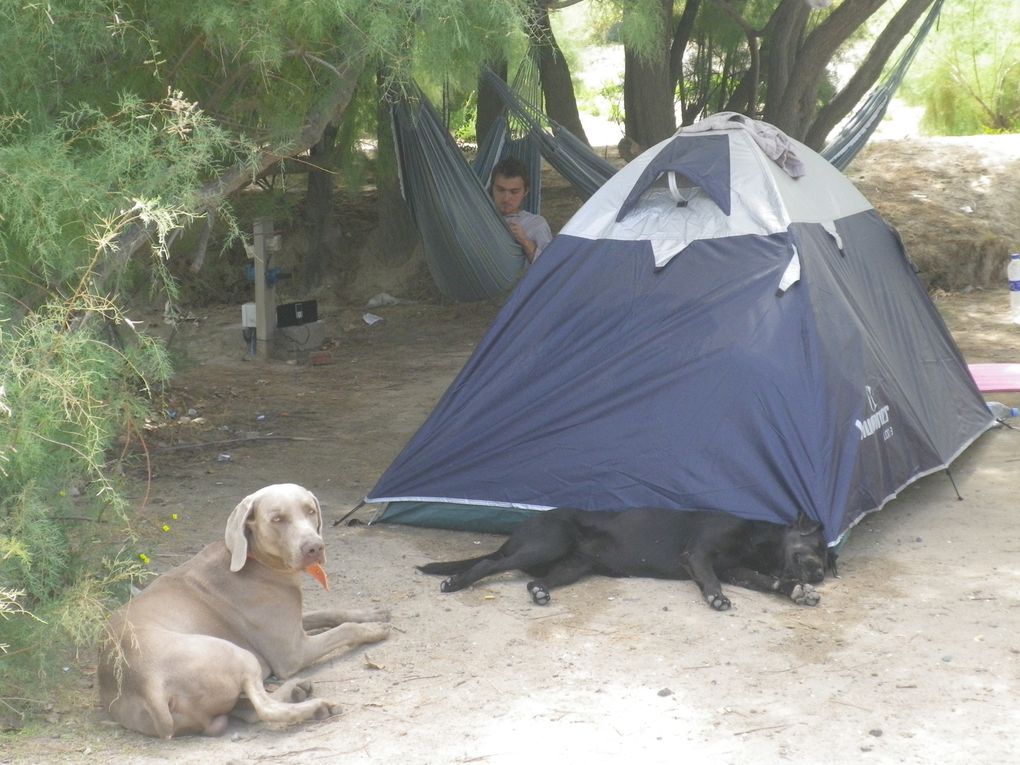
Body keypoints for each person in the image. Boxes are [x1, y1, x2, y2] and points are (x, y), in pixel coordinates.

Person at [490, 157, 552, 264]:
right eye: (500, 190)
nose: (506, 198)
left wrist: (525, 242)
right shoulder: (479, 217)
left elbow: (550, 269)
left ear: (525, 191)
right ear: (492, 188)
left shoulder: (536, 224)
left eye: (514, 192)